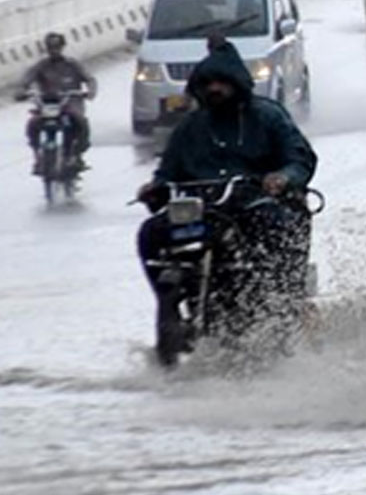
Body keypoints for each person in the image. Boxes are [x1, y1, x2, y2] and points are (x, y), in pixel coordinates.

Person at [134, 41, 317, 319]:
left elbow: (300, 159)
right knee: (151, 233)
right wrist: (154, 188)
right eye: (207, 83)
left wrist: (281, 178)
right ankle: (170, 308)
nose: (214, 89)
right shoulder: (190, 126)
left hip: (253, 204)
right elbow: (167, 172)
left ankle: (283, 303)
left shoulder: (268, 116)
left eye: (222, 82)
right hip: (203, 212)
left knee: (275, 224)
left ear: (238, 84)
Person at [18, 32, 97, 173]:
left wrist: (90, 92)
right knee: (33, 124)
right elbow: (25, 81)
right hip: (47, 105)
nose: (54, 50)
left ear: (62, 47)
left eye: (57, 47)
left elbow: (90, 79)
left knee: (80, 122)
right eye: (50, 47)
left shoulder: (72, 65)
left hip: (70, 104)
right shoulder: (41, 66)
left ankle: (76, 155)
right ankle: (38, 157)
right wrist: (22, 92)